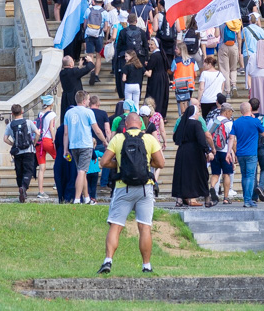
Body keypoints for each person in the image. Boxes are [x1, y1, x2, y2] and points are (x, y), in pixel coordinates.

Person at [97, 113, 165, 275]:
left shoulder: (118, 139)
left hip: (123, 187)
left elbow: (104, 162)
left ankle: (108, 261)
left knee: (116, 225)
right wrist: (146, 164)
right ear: (141, 124)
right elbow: (161, 163)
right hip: (144, 188)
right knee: (144, 227)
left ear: (125, 124)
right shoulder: (149, 139)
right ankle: (146, 265)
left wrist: (120, 165)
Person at [63, 90, 108, 205]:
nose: (89, 101)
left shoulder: (68, 113)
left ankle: (87, 198)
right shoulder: (88, 112)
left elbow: (66, 133)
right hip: (86, 145)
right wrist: (104, 141)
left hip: (74, 145)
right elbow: (97, 130)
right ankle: (77, 199)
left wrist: (65, 149)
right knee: (82, 171)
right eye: (88, 99)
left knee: (81, 171)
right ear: (84, 101)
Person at [171, 104, 215, 208]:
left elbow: (175, 138)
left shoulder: (182, 123)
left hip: (182, 151)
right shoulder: (196, 124)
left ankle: (179, 200)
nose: (199, 114)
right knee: (201, 175)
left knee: (182, 175)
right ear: (193, 114)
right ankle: (207, 199)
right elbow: (201, 139)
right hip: (195, 152)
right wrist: (208, 151)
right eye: (197, 113)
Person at [227, 101, 264, 208]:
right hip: (251, 153)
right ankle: (248, 200)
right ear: (251, 109)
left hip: (240, 153)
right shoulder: (255, 121)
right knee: (250, 176)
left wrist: (228, 152)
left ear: (241, 111)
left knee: (244, 176)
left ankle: (246, 198)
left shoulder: (236, 122)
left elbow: (231, 138)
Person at [3, 103, 40, 203]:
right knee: (28, 170)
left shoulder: (10, 125)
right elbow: (37, 133)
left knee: (19, 171)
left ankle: (21, 189)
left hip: (17, 152)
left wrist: (13, 144)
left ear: (12, 113)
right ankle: (23, 188)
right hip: (29, 150)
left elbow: (5, 139)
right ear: (22, 112)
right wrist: (34, 143)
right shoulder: (28, 122)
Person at [206, 102, 235, 205]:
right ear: (226, 112)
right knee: (226, 174)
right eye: (231, 112)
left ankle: (212, 188)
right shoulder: (229, 123)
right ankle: (226, 198)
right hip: (225, 151)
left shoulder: (211, 121)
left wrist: (211, 149)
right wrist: (232, 153)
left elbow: (208, 135)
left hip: (214, 151)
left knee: (215, 173)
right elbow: (232, 138)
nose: (231, 114)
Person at [116, 13, 149, 99]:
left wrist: (118, 58)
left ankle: (125, 96)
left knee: (125, 76)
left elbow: (118, 46)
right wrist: (146, 59)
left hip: (125, 58)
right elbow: (146, 46)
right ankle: (138, 95)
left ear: (127, 21)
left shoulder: (123, 32)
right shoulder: (142, 32)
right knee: (139, 77)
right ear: (136, 21)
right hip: (139, 58)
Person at [84, 0, 111, 86]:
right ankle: (96, 75)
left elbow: (84, 24)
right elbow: (106, 27)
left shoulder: (88, 10)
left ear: (94, 1)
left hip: (89, 35)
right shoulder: (105, 12)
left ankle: (91, 70)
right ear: (102, 2)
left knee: (90, 55)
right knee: (98, 56)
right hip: (99, 35)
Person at [250, 97, 264, 203]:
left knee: (253, 171)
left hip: (251, 147)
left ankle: (254, 195)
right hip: (262, 146)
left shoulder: (247, 118)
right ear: (259, 106)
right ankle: (261, 187)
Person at [34, 95, 57, 199]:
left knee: (42, 167)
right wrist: (54, 140)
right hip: (48, 140)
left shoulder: (40, 114)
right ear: (51, 104)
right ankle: (57, 183)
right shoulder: (52, 114)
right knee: (58, 159)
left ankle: (40, 191)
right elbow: (51, 128)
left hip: (39, 142)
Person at [143, 38, 170, 120]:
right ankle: (162, 115)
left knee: (155, 96)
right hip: (164, 77)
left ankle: (153, 114)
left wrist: (145, 65)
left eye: (152, 44)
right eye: (149, 44)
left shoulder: (154, 55)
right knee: (162, 96)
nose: (150, 46)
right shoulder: (162, 54)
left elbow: (149, 67)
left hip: (156, 78)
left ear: (156, 45)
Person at [171, 41, 199, 115]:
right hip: (190, 86)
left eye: (176, 49)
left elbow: (171, 71)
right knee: (188, 102)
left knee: (180, 104)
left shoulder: (176, 61)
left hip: (180, 85)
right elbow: (195, 73)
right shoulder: (193, 61)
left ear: (181, 50)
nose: (175, 50)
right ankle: (188, 116)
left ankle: (182, 118)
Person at [53, 118, 77, 203]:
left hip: (61, 153)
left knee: (61, 175)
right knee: (71, 174)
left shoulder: (60, 128)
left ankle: (61, 196)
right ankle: (69, 196)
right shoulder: (75, 127)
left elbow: (56, 143)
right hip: (72, 152)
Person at [241, 12, 264, 89]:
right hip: (257, 52)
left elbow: (242, 38)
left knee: (247, 70)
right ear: (256, 21)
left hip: (247, 52)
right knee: (256, 70)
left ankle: (248, 86)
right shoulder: (259, 29)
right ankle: (256, 85)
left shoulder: (245, 29)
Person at [217, 19, 242, 99]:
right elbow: (239, 37)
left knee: (225, 71)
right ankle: (234, 85)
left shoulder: (221, 22)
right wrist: (239, 50)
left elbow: (217, 35)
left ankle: (227, 92)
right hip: (234, 46)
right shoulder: (236, 22)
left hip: (223, 46)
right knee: (233, 69)